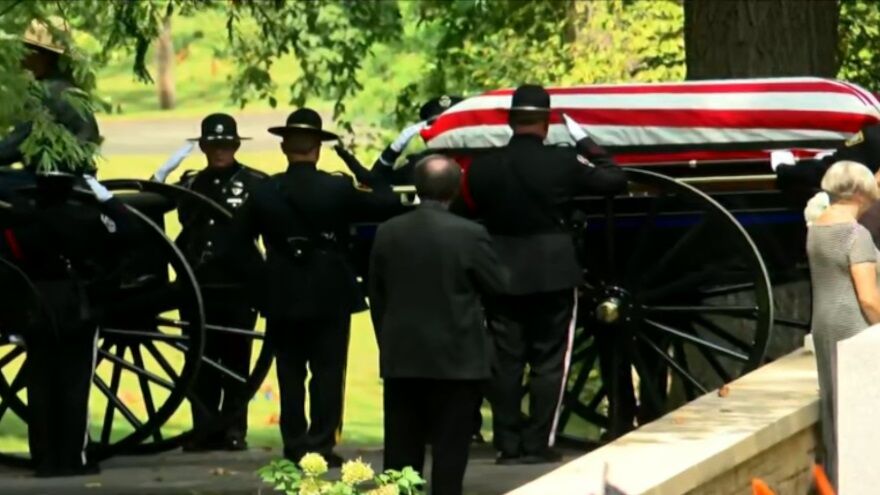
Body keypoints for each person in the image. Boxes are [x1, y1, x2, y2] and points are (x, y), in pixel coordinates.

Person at [455, 84, 628, 464]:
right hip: (553, 271)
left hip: (500, 271)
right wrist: (588, 145)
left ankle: (507, 442)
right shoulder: (564, 162)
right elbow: (615, 179)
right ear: (547, 122)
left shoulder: (481, 168)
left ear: (511, 121)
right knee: (549, 361)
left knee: (505, 359)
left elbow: (463, 211)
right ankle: (537, 444)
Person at [225, 108, 400, 466]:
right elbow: (387, 202)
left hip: (282, 289)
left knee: (289, 372)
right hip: (329, 289)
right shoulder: (337, 187)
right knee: (328, 371)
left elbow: (235, 243)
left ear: (285, 148)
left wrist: (263, 276)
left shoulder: (264, 191)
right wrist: (359, 168)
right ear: (318, 148)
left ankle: (294, 443)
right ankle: (321, 444)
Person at [368, 154, 506, 495]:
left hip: (403, 355)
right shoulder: (470, 234)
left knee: (401, 452)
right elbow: (498, 287)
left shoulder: (388, 232)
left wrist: (388, 342)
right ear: (456, 190)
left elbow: (377, 293)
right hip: (456, 357)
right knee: (450, 451)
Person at [0, 172, 137, 477]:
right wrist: (109, 201)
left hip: (35, 307)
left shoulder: (19, 226)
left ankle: (45, 460)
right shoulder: (87, 219)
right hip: (76, 306)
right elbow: (127, 230)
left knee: (39, 386)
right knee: (75, 385)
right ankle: (74, 458)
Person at [151, 113, 267, 451]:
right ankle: (203, 427)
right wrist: (160, 176)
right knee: (199, 362)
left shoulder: (256, 183)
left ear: (235, 145)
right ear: (203, 147)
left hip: (237, 286)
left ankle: (233, 429)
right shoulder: (189, 183)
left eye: (227, 145)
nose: (220, 151)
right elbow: (154, 205)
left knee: (235, 360)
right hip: (197, 287)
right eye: (214, 145)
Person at [805, 160, 880, 490]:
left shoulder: (818, 226)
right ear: (863, 192)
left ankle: (836, 481)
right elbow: (867, 297)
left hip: (823, 323)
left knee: (834, 408)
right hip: (854, 326)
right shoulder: (856, 234)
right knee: (861, 412)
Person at [0, 18, 100, 171]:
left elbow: (16, 145)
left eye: (27, 50)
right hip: (74, 179)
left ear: (44, 56)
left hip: (57, 184)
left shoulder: (48, 94)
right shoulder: (67, 88)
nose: (22, 58)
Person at [334, 95, 464, 187]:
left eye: (449, 126)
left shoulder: (476, 160)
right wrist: (395, 148)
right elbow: (378, 182)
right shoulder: (416, 166)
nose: (441, 132)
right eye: (434, 127)